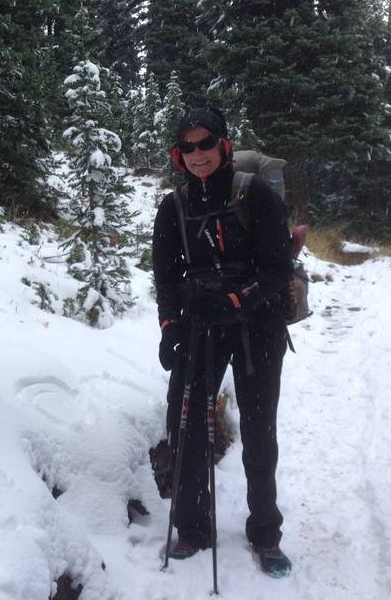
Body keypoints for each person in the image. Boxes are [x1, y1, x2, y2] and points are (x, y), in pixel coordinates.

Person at [151, 107, 293, 577]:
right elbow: (166, 277)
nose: (198, 154)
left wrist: (235, 300)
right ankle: (194, 526)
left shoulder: (257, 195)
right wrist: (170, 327)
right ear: (179, 154)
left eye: (205, 143)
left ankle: (266, 533)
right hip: (198, 326)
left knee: (258, 431)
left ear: (224, 145)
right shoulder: (174, 206)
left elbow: (277, 272)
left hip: (258, 326)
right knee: (186, 423)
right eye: (187, 147)